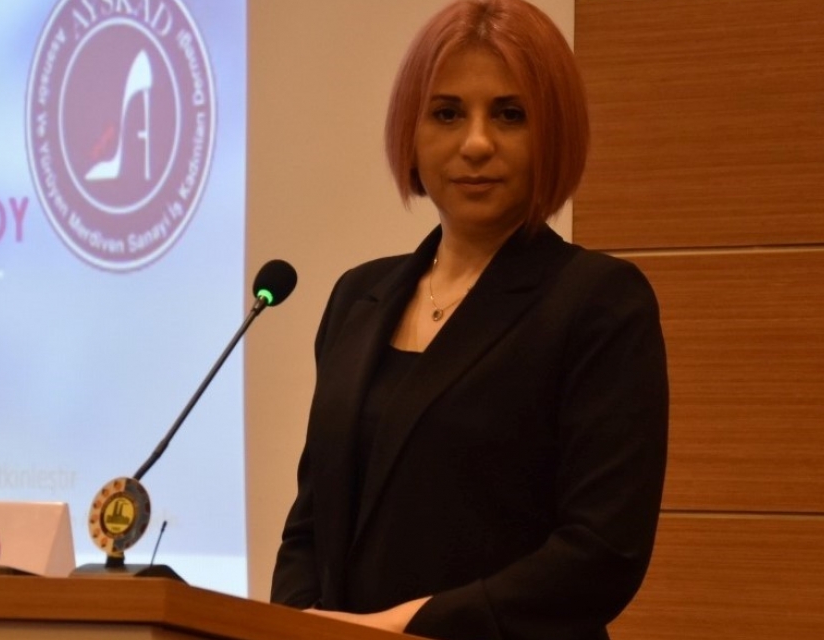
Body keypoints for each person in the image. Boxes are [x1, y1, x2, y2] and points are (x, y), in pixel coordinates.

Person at [270, 1, 668, 638]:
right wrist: (296, 626)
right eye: (447, 113)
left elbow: (601, 553)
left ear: (554, 133)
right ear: (411, 131)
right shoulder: (357, 297)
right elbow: (310, 525)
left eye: (509, 115)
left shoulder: (598, 302)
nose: (476, 143)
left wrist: (401, 627)